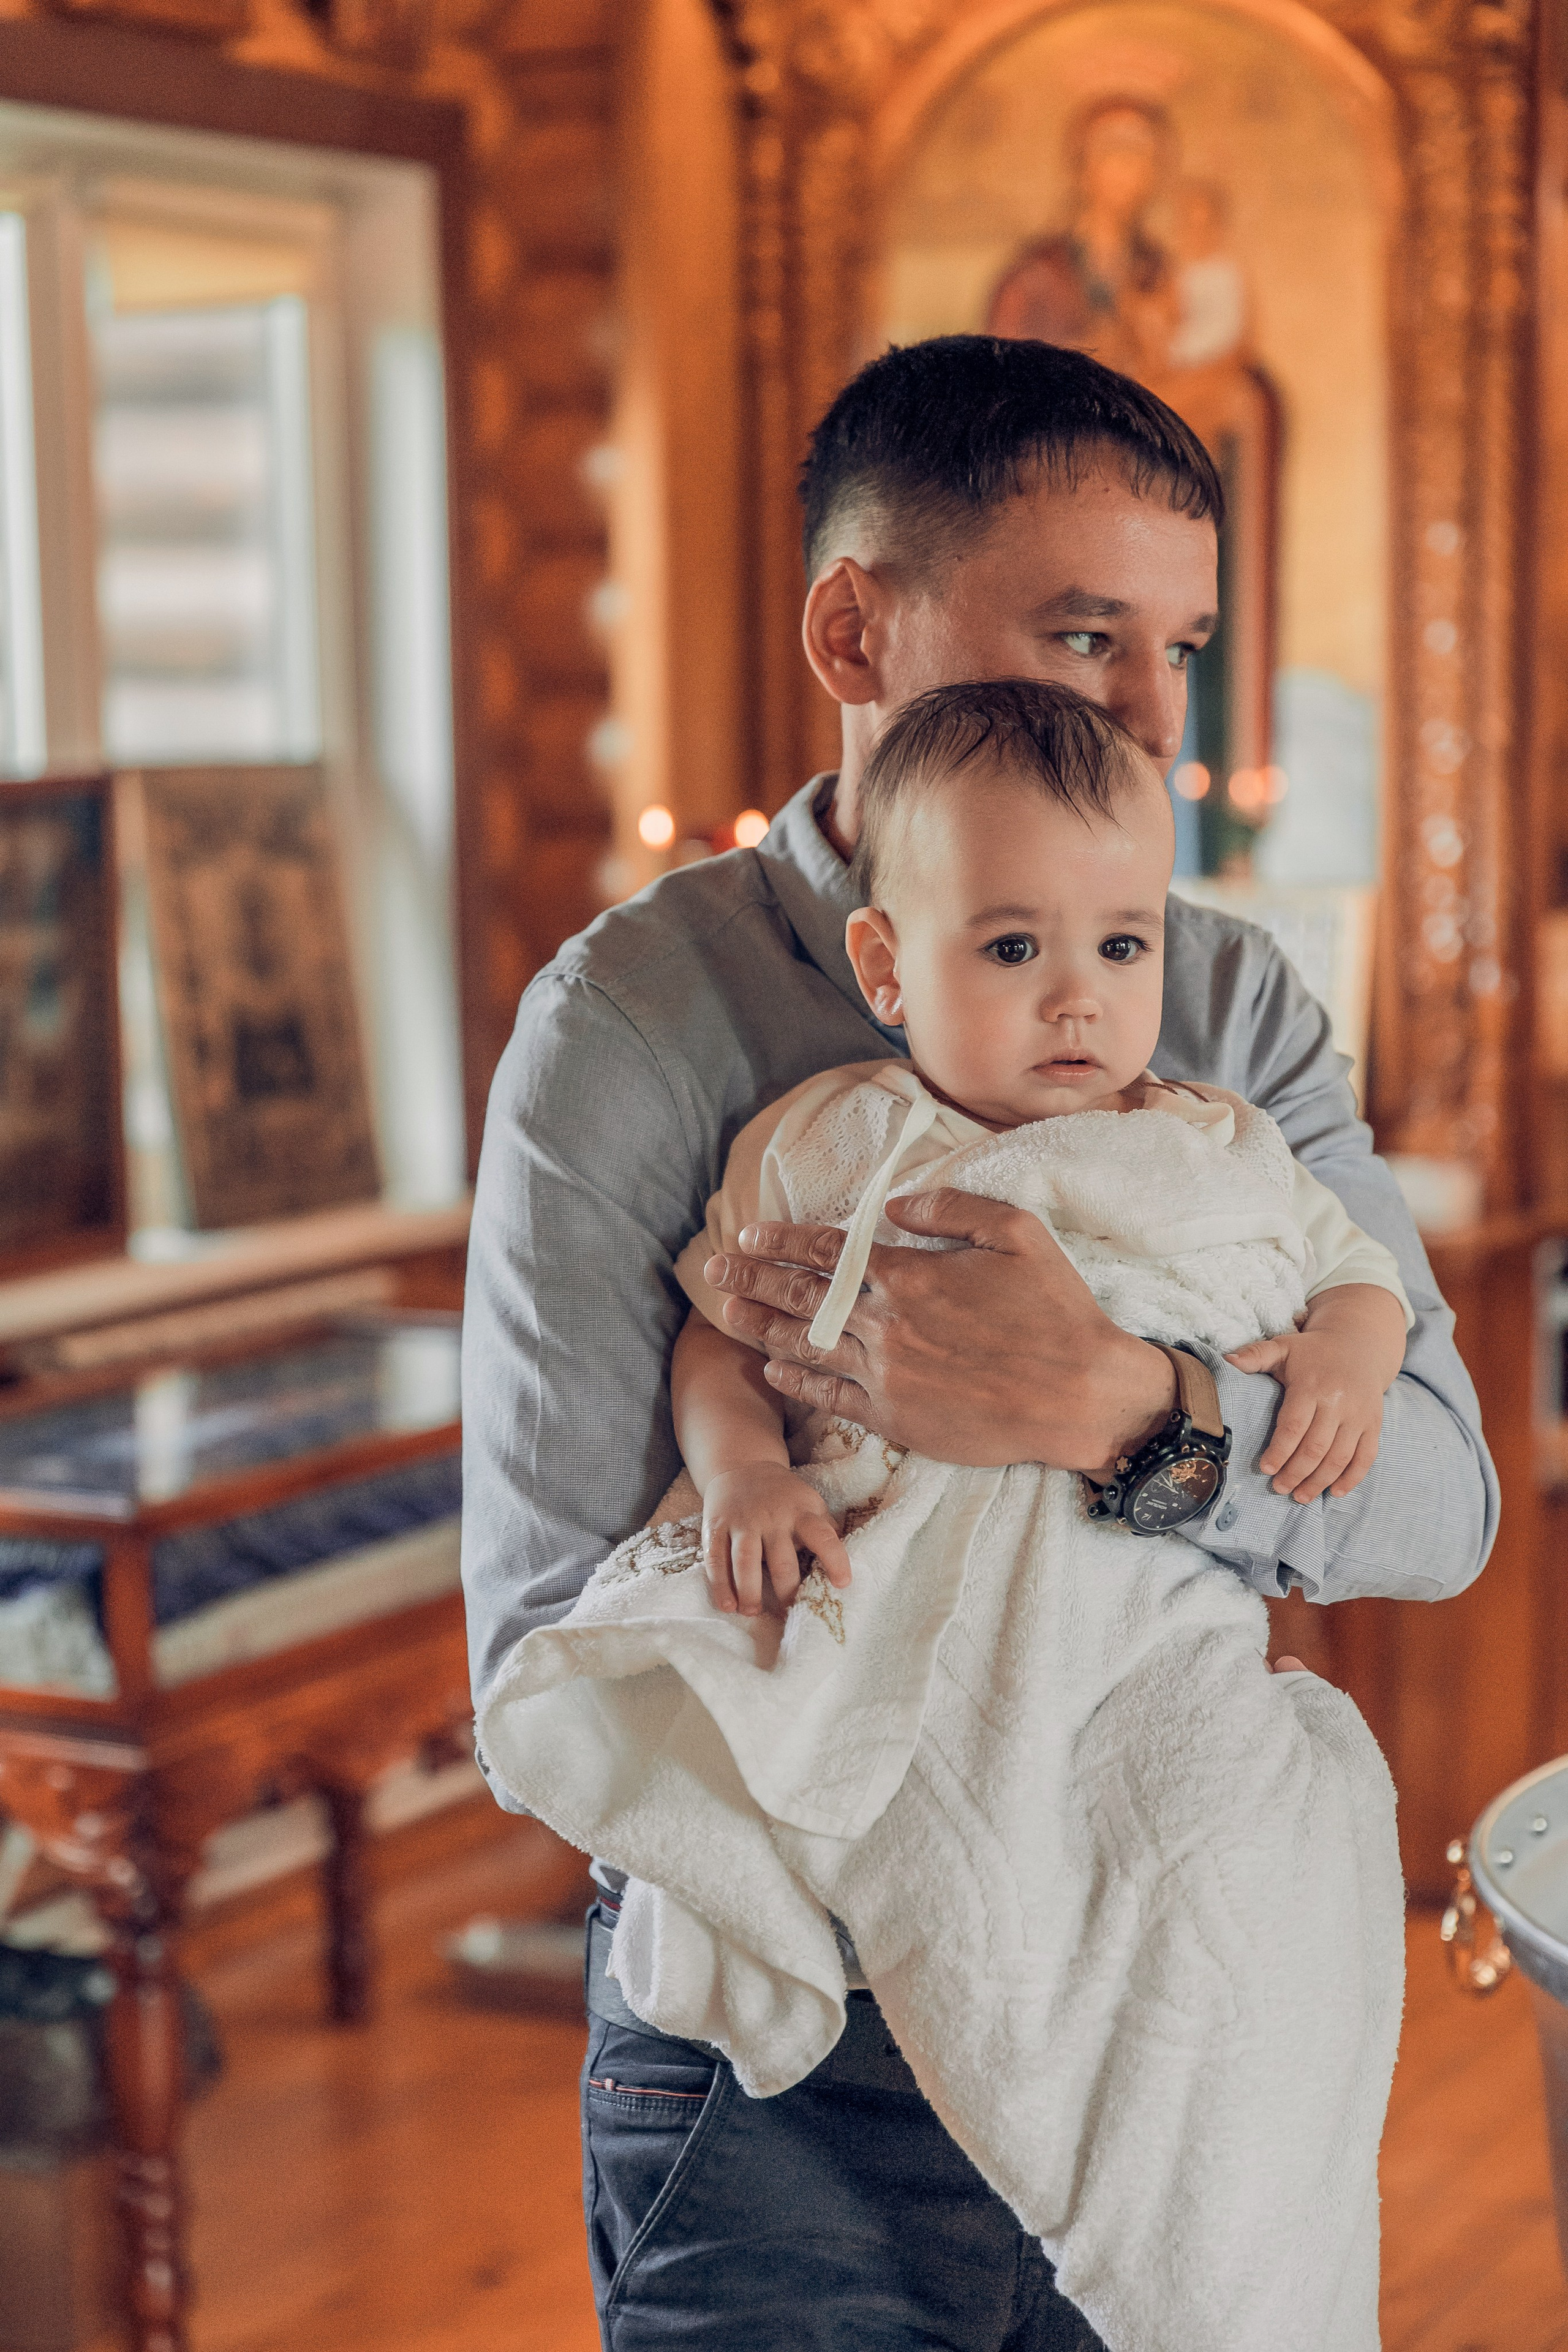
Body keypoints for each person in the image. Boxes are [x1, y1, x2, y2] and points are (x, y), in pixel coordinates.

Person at [461, 334, 1496, 2350]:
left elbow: (1437, 1502)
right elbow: (545, 1639)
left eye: (1179, 648)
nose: (1144, 715)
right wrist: (771, 1462)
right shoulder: (639, 1028)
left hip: (1163, 1982)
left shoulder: (1217, 1005)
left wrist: (1120, 1411)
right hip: (795, 2067)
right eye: (1087, 630)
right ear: (857, 625)